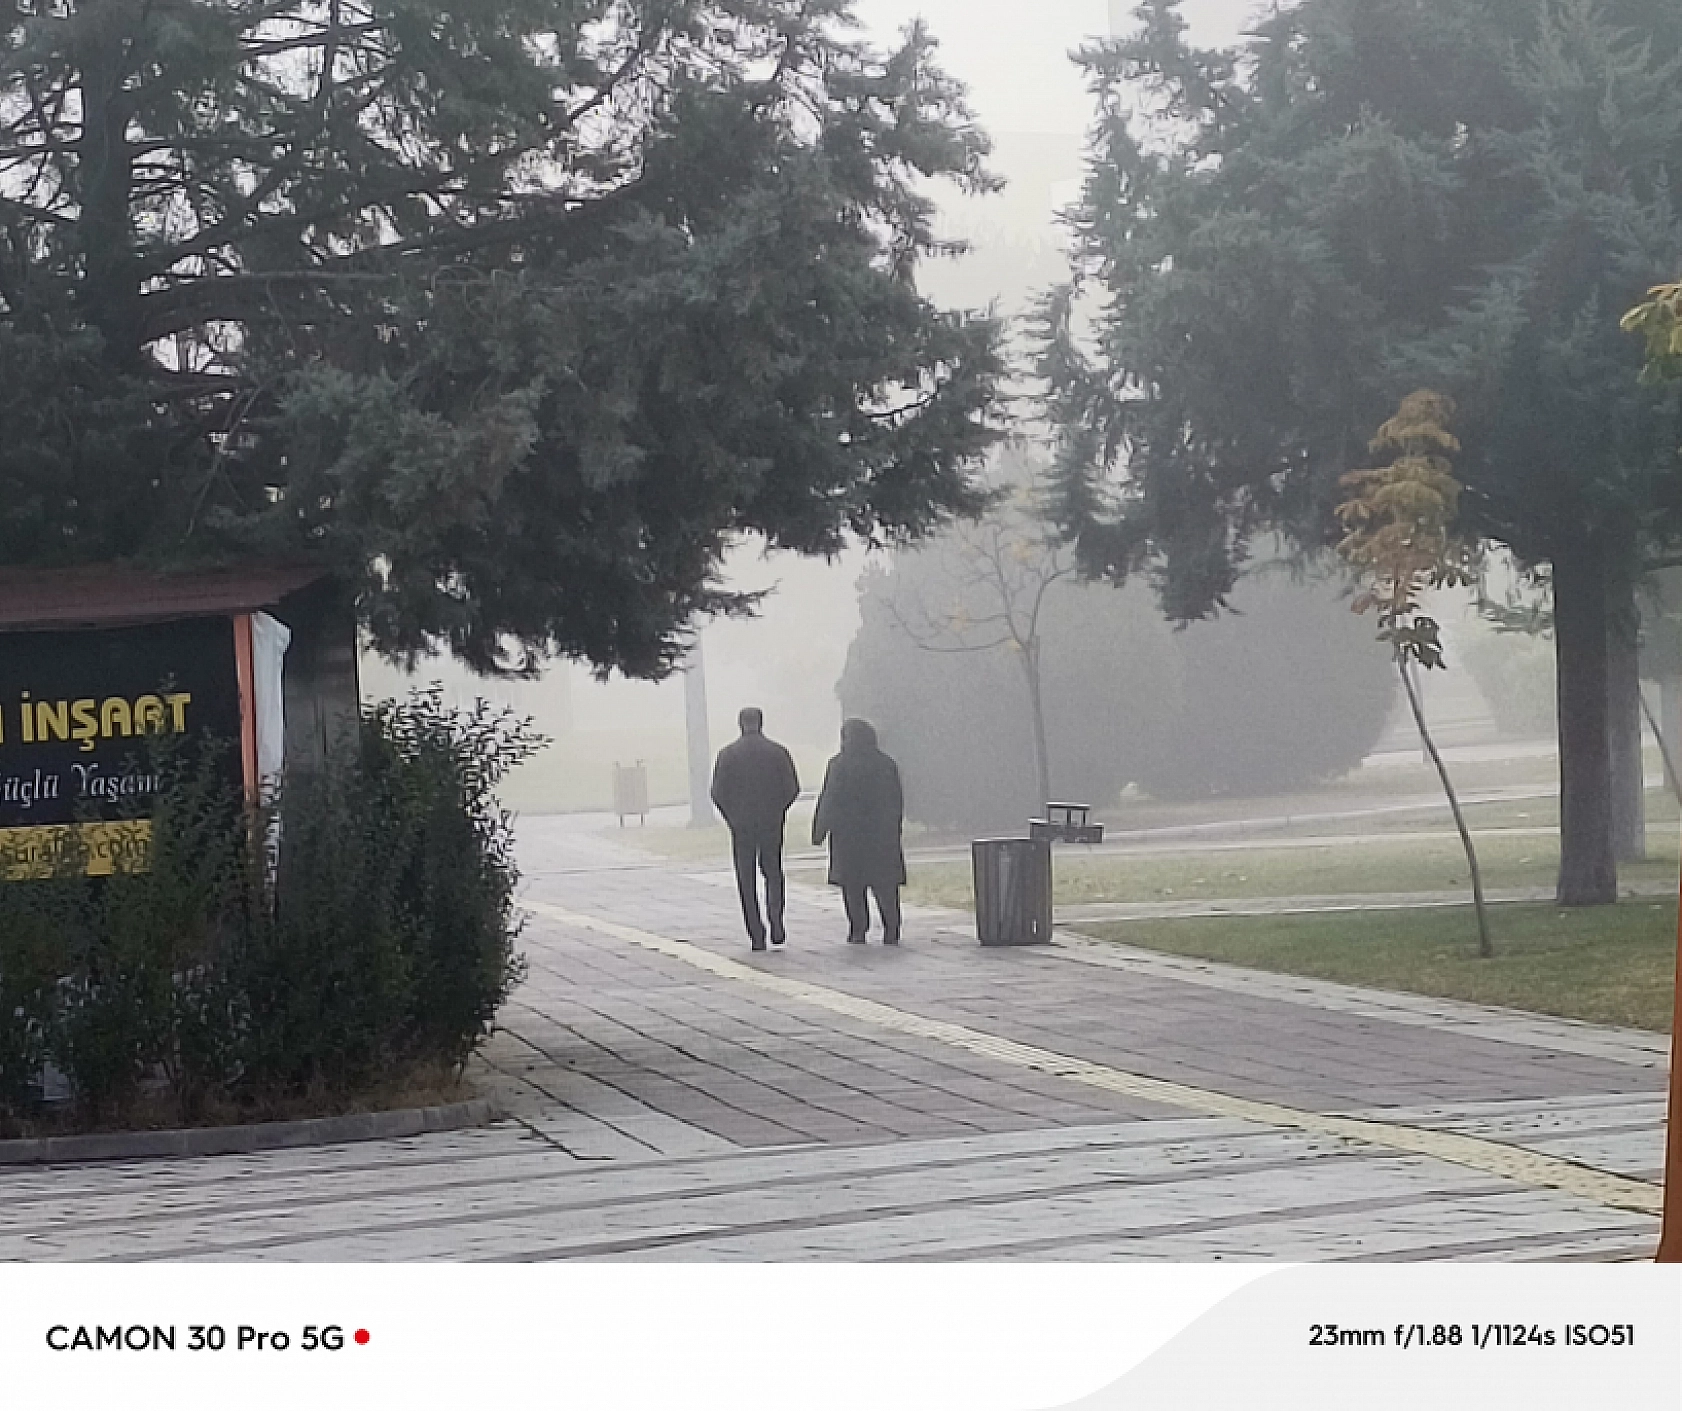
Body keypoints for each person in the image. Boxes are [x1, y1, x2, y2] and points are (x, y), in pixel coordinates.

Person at [710, 707, 801, 952]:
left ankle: (756, 932)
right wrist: (779, 810)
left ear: (740, 724)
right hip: (771, 821)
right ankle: (776, 918)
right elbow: (792, 787)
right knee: (773, 871)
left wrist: (732, 817)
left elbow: (717, 792)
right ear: (761, 723)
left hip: (742, 825)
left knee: (745, 877)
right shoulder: (778, 753)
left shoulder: (727, 755)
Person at [812, 718, 906, 945]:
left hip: (848, 836)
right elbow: (896, 800)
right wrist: (894, 827)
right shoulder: (885, 764)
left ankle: (858, 929)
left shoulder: (839, 765)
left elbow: (829, 798)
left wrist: (820, 830)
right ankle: (891, 927)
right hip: (880, 835)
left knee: (853, 886)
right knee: (885, 885)